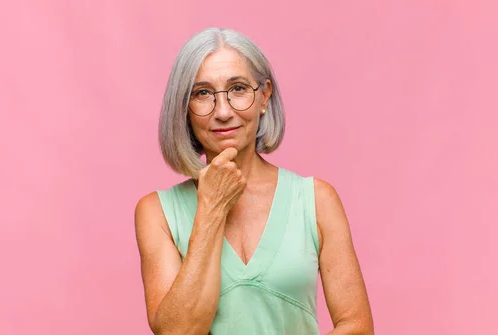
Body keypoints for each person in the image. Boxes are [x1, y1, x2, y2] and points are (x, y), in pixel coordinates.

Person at [134, 27, 374, 335]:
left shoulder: (317, 200)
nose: (223, 111)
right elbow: (177, 331)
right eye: (202, 93)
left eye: (238, 89)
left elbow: (357, 327)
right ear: (184, 110)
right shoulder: (156, 213)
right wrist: (211, 209)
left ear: (264, 97)